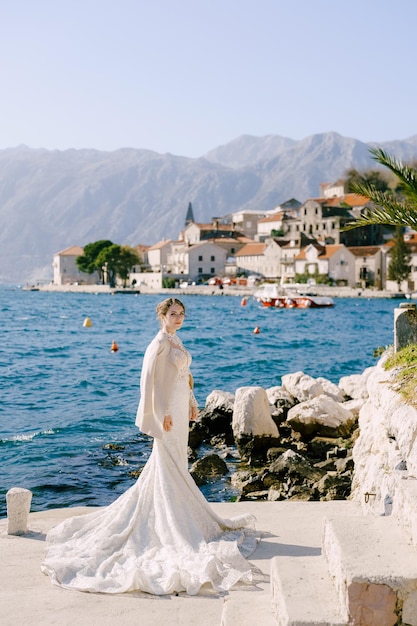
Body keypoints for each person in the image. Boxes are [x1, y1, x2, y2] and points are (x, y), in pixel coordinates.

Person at [41, 297, 257, 595]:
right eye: (173, 314)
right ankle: (171, 521)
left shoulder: (175, 339)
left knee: (177, 462)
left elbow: (184, 376)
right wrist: (161, 415)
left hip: (180, 409)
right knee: (167, 461)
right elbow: (151, 383)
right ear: (161, 315)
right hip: (167, 413)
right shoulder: (158, 344)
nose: (178, 318)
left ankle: (181, 512)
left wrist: (192, 402)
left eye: (181, 314)